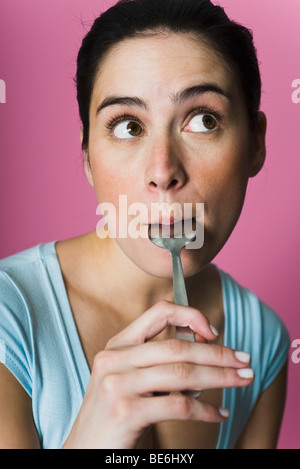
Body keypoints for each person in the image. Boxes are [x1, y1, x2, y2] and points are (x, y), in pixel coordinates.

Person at [0, 0, 290, 449]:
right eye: (128, 126)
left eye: (203, 120)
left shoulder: (265, 342)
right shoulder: (9, 318)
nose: (163, 170)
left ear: (255, 144)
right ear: (88, 160)